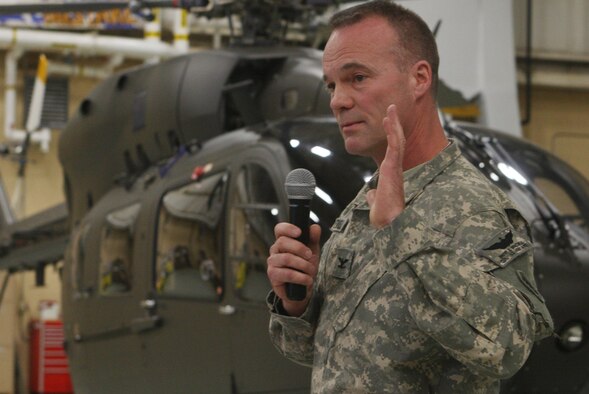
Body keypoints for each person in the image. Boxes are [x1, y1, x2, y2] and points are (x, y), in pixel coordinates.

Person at [266, 1, 553, 393]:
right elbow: (325, 352)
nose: (337, 100)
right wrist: (297, 303)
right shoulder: (365, 204)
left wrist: (402, 231)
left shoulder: (475, 209)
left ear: (419, 78)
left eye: (358, 77)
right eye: (332, 84)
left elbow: (507, 349)